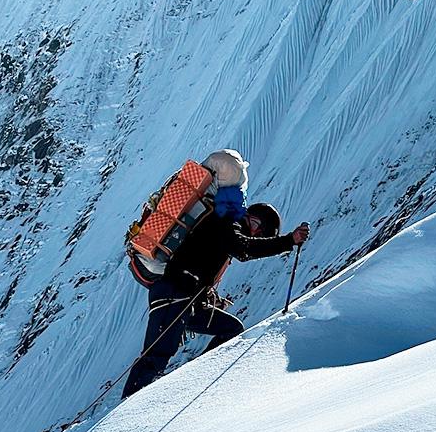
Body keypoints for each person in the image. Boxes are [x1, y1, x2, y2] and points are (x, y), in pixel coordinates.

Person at [121, 151, 311, 399]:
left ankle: (196, 379)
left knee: (231, 329)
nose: (255, 235)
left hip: (185, 299)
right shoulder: (225, 221)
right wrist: (288, 241)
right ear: (254, 222)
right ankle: (124, 411)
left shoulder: (223, 223)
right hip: (174, 293)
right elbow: (242, 248)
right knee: (156, 356)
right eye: (258, 230)